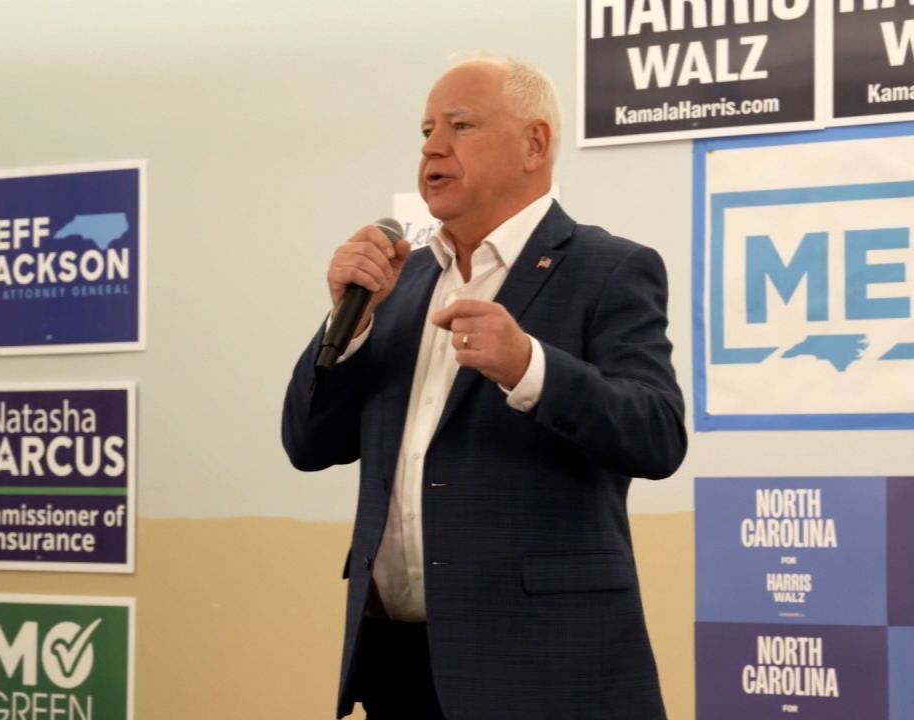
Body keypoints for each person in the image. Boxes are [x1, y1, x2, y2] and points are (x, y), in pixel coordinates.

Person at [282, 55, 686, 720]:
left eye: (461, 126)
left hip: (545, 667)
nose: (433, 148)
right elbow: (308, 442)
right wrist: (346, 325)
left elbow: (657, 434)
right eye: (425, 131)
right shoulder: (398, 286)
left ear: (535, 144)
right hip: (399, 666)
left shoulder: (609, 269)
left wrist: (530, 367)